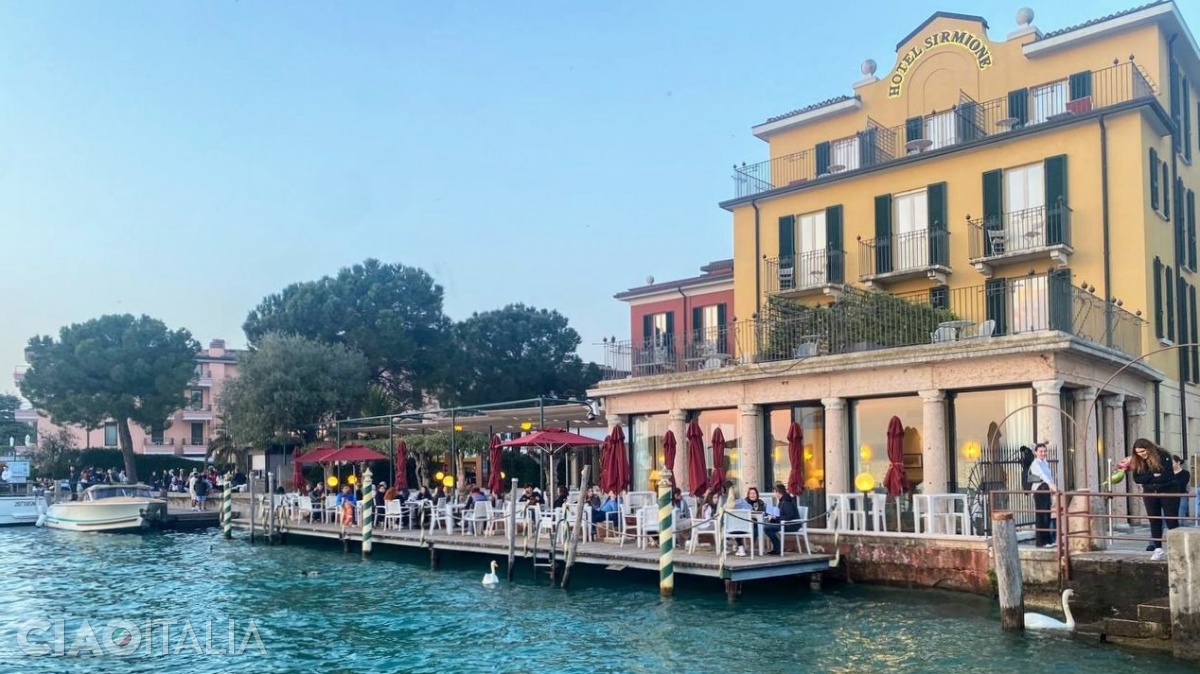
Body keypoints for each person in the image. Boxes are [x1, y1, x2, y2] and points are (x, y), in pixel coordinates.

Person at [1130, 438, 1178, 560]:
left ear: (1148, 449)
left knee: (1171, 520)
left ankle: (1176, 549)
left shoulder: (1163, 455)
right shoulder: (1138, 461)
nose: (1141, 454)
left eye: (1143, 451)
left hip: (1167, 491)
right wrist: (1153, 476)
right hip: (1150, 492)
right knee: (1154, 520)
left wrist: (1148, 478)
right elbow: (1137, 478)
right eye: (1138, 452)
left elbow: (1166, 476)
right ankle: (1158, 549)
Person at [1028, 442, 1057, 548]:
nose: (1043, 453)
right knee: (1041, 515)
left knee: (1047, 515)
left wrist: (1052, 485)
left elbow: (1048, 474)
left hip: (1046, 489)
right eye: (1040, 451)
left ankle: (1048, 540)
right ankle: (1041, 542)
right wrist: (1050, 484)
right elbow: (1042, 474)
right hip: (1039, 489)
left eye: (1044, 451)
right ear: (1036, 452)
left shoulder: (1045, 462)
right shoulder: (1035, 463)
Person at [1172, 454, 1192, 526]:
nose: (1171, 465)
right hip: (1170, 497)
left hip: (1181, 496)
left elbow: (1182, 484)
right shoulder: (1168, 473)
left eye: (1173, 463)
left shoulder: (1185, 473)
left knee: (1180, 517)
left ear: (1178, 462)